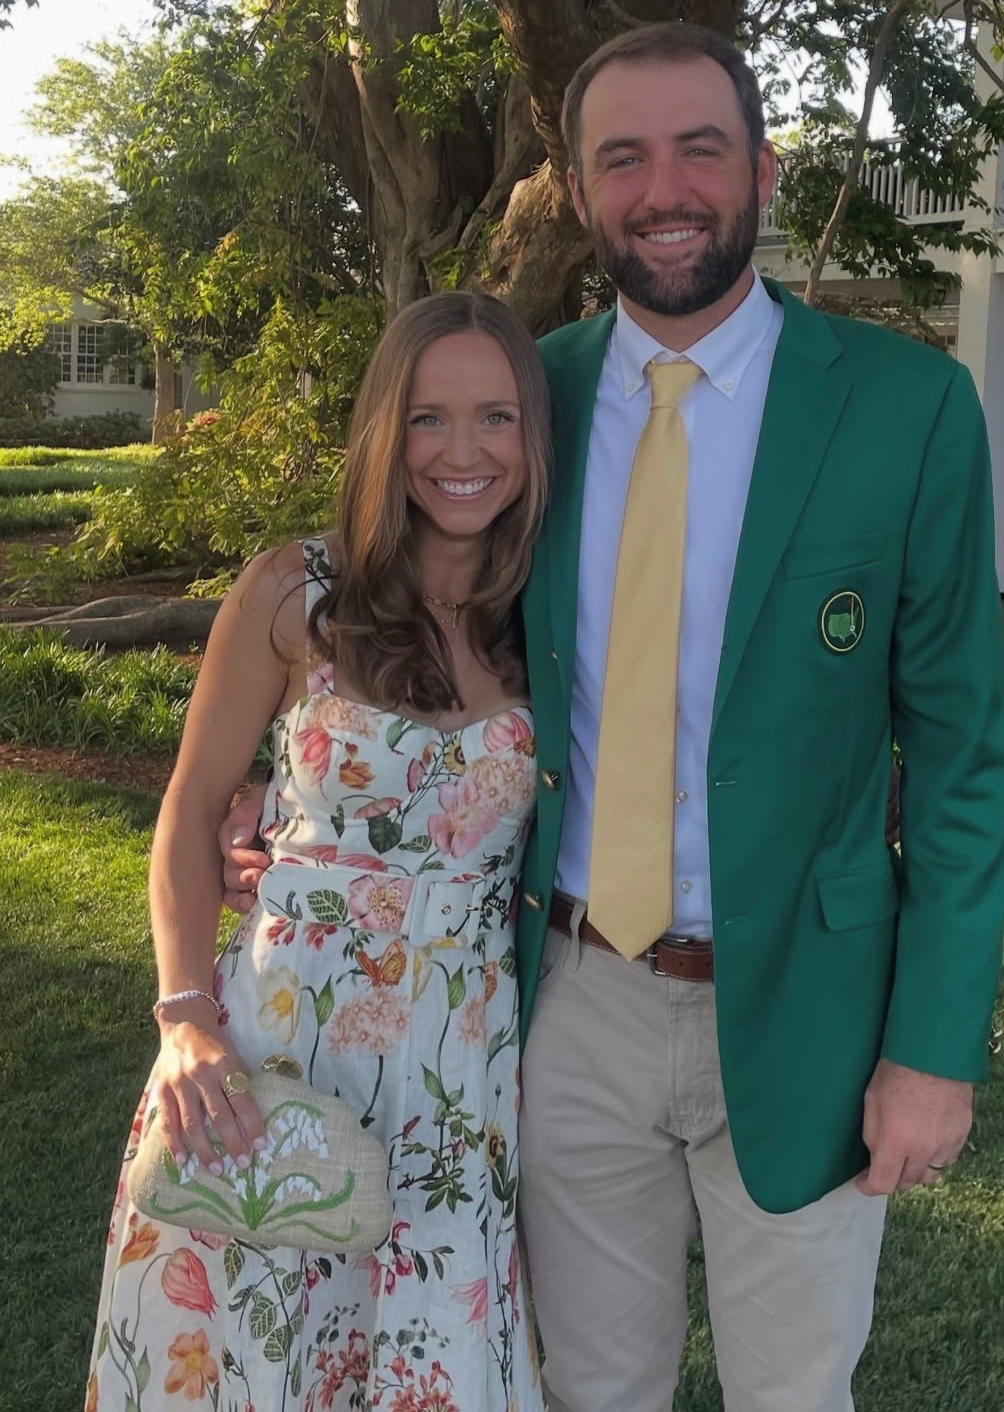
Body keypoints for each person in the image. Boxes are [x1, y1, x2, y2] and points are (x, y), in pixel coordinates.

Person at [222, 23, 1004, 1412]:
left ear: (761, 168)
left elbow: (959, 757)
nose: (666, 187)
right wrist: (288, 809)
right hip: (565, 996)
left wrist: (933, 1047)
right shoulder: (527, 401)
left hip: (811, 1008)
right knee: (590, 1391)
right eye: (623, 157)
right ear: (581, 192)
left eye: (698, 148)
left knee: (790, 1394)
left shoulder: (906, 409)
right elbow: (409, 625)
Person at [86, 292, 550, 1412]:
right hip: (273, 1052)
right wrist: (185, 1020)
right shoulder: (296, 591)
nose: (461, 452)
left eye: (495, 417)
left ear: (534, 435)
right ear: (384, 430)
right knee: (255, 1354)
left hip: (457, 1071)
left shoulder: (550, 612)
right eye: (428, 418)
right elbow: (195, 808)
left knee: (426, 1357)